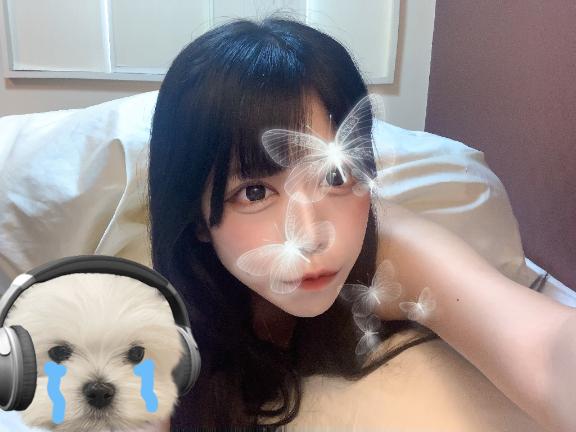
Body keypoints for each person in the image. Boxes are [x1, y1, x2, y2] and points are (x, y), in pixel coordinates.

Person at [147, 17, 576, 431]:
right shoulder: (158, 319)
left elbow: (542, 348)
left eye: (336, 176)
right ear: (197, 218)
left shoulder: (389, 249)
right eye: (256, 192)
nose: (311, 235)